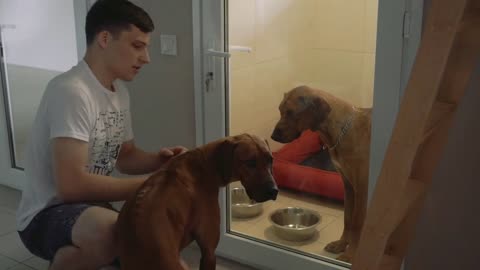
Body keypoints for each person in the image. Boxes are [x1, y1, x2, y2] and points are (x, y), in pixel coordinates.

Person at [15, 0, 189, 269]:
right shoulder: (71, 91)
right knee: (110, 234)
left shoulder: (118, 92)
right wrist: (153, 184)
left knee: (163, 255)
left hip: (91, 208)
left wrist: (160, 161)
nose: (146, 58)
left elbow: (126, 156)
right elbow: (70, 186)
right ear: (105, 39)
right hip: (45, 214)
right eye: (137, 46)